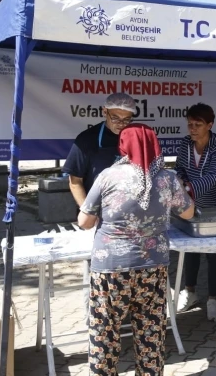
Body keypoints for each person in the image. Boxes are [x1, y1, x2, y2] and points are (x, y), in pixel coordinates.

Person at [78, 123, 194, 375]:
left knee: (105, 334)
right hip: (153, 267)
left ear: (124, 146)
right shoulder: (167, 178)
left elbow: (84, 222)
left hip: (111, 270)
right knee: (150, 333)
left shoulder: (108, 176)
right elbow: (188, 211)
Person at [62, 92, 137, 321]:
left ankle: (124, 317)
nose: (121, 124)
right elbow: (74, 181)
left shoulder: (134, 138)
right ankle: (94, 319)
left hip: (129, 220)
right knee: (97, 273)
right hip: (98, 219)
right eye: (116, 118)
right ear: (104, 112)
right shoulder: (87, 140)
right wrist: (89, 212)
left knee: (128, 271)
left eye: (126, 119)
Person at [175, 103, 216, 321]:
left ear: (210, 124)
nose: (192, 128)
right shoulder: (185, 144)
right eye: (190, 124)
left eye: (198, 124)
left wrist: (187, 188)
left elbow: (215, 175)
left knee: (214, 253)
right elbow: (180, 167)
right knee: (190, 251)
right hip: (191, 207)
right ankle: (190, 292)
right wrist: (178, 179)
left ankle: (213, 299)